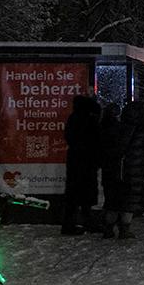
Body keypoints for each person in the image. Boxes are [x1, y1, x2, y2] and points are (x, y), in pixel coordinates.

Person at [101, 101, 144, 238]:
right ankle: (125, 229)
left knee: (112, 201)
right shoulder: (141, 130)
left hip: (114, 171)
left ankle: (108, 228)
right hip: (134, 172)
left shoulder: (116, 128)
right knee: (129, 203)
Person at [61, 95, 101, 235]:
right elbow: (96, 139)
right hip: (86, 161)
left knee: (74, 193)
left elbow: (70, 137)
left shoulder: (75, 118)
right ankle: (85, 221)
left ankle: (70, 223)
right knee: (85, 193)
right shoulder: (89, 120)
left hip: (76, 160)